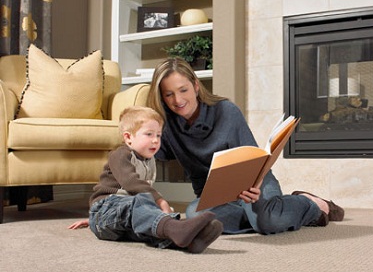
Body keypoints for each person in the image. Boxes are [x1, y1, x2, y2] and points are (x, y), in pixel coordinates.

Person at [147, 57, 344, 235]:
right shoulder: (165, 125)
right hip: (216, 196)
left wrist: (255, 189)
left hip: (253, 183)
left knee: (267, 222)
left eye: (183, 90)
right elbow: (152, 153)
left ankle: (309, 204)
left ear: (196, 86)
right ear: (161, 97)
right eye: (169, 94)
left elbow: (254, 161)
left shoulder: (226, 111)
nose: (178, 100)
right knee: (194, 214)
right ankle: (273, 211)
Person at [68, 106, 222, 253]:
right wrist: (159, 200)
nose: (155, 140)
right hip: (105, 210)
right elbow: (130, 182)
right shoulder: (120, 154)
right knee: (142, 201)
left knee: (149, 227)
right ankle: (176, 228)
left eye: (158, 135)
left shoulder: (149, 161)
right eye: (149, 134)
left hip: (124, 222)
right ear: (128, 137)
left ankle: (186, 242)